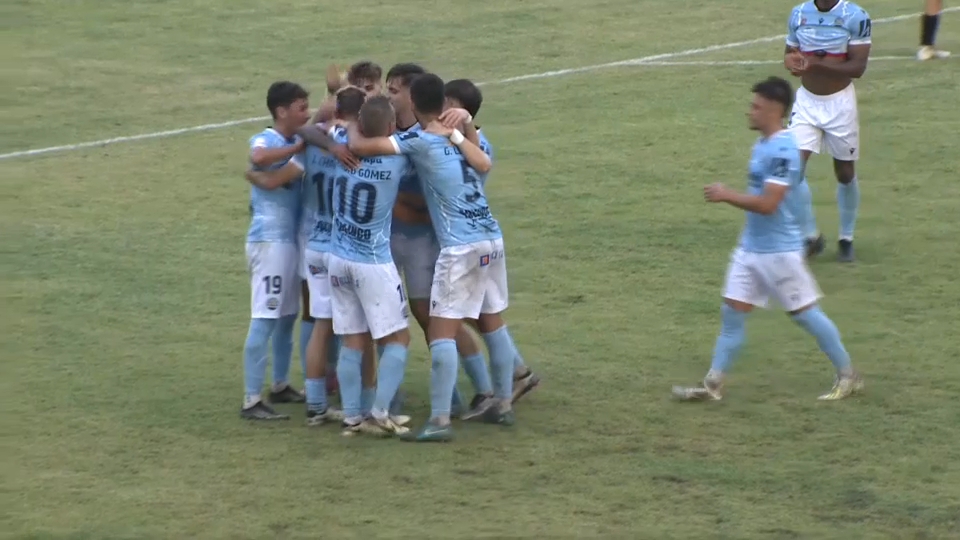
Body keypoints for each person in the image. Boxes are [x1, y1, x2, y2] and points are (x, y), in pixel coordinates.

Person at [347, 73, 523, 442]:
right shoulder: (465, 138)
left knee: (441, 331)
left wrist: (347, 130)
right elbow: (484, 164)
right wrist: (464, 130)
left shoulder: (419, 140)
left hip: (459, 246)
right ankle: (503, 404)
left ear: (413, 105)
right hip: (490, 237)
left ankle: (440, 421)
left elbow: (365, 148)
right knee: (493, 322)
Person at [672, 76, 863, 403]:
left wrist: (725, 195)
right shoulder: (762, 144)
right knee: (732, 313)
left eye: (756, 107)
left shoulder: (783, 150)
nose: (750, 111)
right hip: (750, 249)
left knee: (805, 315)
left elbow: (768, 204)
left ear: (774, 111)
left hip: (779, 253)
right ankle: (712, 384)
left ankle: (848, 375)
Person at [247, 87, 370, 425]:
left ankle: (312, 399)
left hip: (309, 242)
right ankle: (359, 404)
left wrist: (254, 177)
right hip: (337, 244)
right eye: (302, 107)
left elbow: (275, 177)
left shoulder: (313, 147)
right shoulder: (361, 147)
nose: (310, 112)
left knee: (315, 321)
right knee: (353, 327)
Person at [383, 64, 496, 419]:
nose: (387, 95)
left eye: (393, 89)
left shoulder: (430, 137)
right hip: (388, 238)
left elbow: (463, 182)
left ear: (412, 96)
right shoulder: (389, 129)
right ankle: (390, 398)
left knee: (436, 316)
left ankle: (478, 393)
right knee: (382, 317)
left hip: (429, 241)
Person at [443, 79, 541, 407]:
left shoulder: (461, 144)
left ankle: (479, 397)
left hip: (461, 238)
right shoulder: (480, 141)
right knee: (482, 313)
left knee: (460, 314)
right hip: (481, 235)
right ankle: (511, 378)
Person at [327, 96, 414, 436]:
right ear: (390, 129)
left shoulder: (341, 147)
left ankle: (352, 417)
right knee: (398, 339)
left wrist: (349, 126)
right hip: (373, 262)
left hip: (338, 257)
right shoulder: (398, 158)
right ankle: (379, 413)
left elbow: (327, 130)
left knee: (352, 340)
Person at [240, 81, 311, 420]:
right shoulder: (267, 138)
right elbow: (257, 158)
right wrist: (297, 146)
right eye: (301, 107)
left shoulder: (290, 144)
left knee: (285, 318)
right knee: (265, 317)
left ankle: (280, 385)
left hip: (288, 242)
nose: (306, 113)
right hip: (269, 241)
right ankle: (252, 400)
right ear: (282, 111)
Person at [783, 0, 872, 262]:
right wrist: (793, 62)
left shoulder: (856, 17)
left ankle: (846, 238)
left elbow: (857, 68)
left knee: (844, 172)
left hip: (840, 105)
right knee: (792, 168)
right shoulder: (798, 14)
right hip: (807, 102)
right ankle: (811, 237)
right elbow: (789, 53)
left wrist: (815, 65)